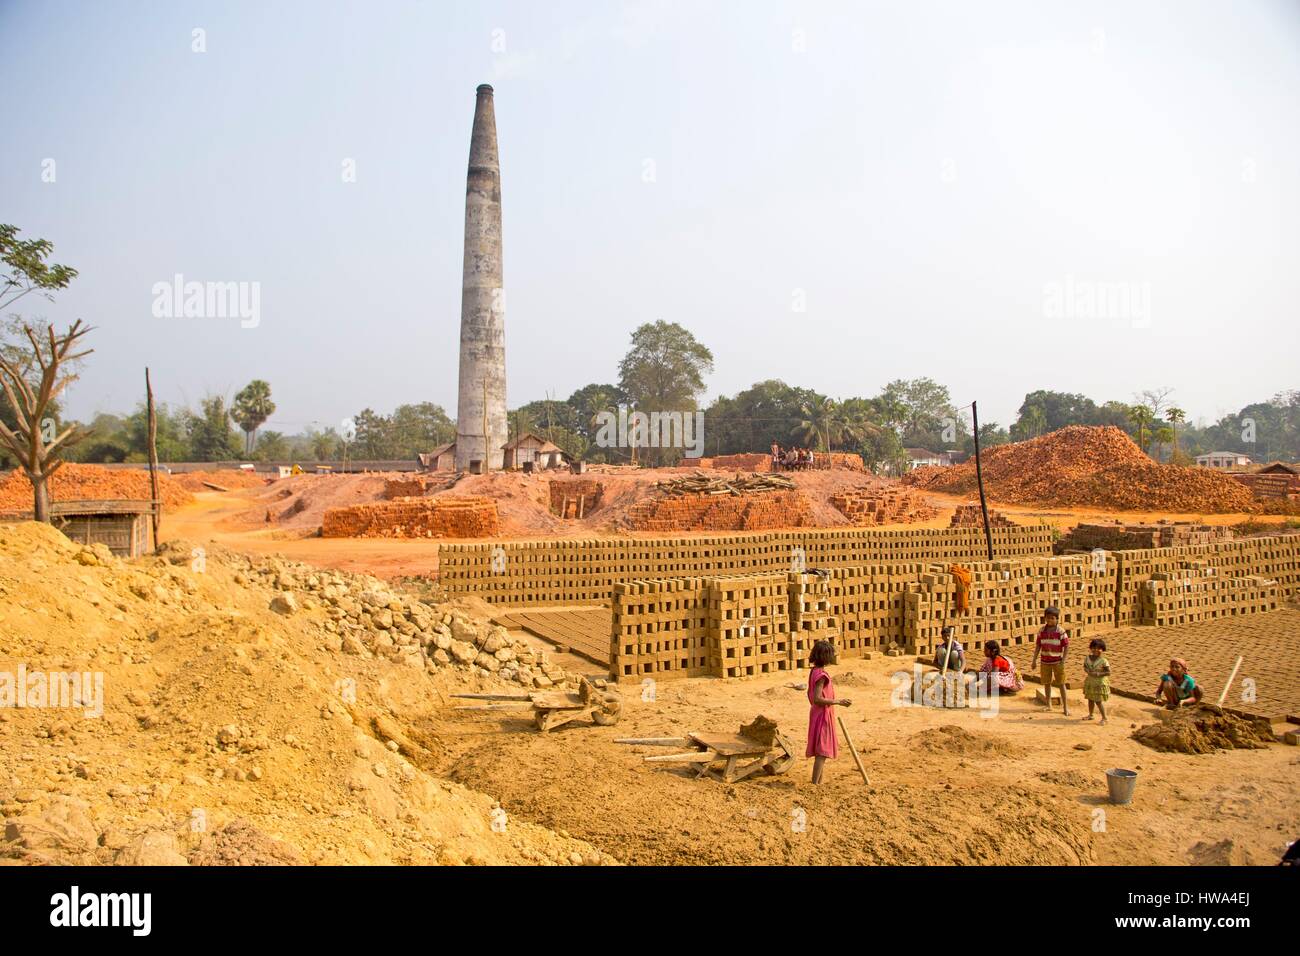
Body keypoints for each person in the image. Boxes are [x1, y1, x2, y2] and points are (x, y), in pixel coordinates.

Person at [807, 640, 851, 784]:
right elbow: (817, 698)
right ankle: (815, 783)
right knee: (822, 751)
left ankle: (819, 783)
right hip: (822, 715)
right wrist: (838, 702)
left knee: (821, 749)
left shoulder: (814, 671)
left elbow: (810, 694)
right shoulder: (822, 676)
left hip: (817, 713)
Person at [1030, 606, 1070, 715]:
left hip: (1057, 662)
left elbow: (1066, 646)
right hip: (1045, 662)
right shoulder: (1042, 631)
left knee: (1061, 683)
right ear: (1045, 618)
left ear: (1057, 619)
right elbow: (1038, 646)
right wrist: (1034, 660)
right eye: (1048, 618)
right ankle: (1049, 705)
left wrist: (1063, 660)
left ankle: (1066, 707)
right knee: (1046, 683)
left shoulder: (1061, 631)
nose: (1050, 620)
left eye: (1052, 618)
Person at [1081, 638, 1111, 725]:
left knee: (1098, 701)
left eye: (1099, 648)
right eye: (1094, 648)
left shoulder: (1104, 661)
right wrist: (1088, 671)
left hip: (1099, 683)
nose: (1096, 650)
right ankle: (1090, 715)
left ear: (1102, 650)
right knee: (1090, 699)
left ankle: (1104, 718)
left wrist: (1098, 674)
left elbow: (1108, 672)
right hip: (1090, 682)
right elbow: (1085, 667)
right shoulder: (1087, 658)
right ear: (1091, 648)